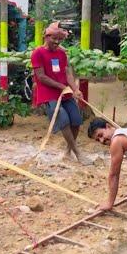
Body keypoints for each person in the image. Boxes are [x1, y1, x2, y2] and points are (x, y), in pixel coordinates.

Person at [31, 23, 92, 165]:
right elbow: (41, 77)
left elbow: (67, 73)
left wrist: (75, 89)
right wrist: (62, 86)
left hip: (65, 91)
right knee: (63, 119)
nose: (57, 42)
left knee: (76, 120)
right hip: (49, 92)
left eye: (60, 39)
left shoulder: (61, 53)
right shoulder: (37, 53)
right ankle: (78, 152)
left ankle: (68, 150)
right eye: (54, 39)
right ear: (46, 37)